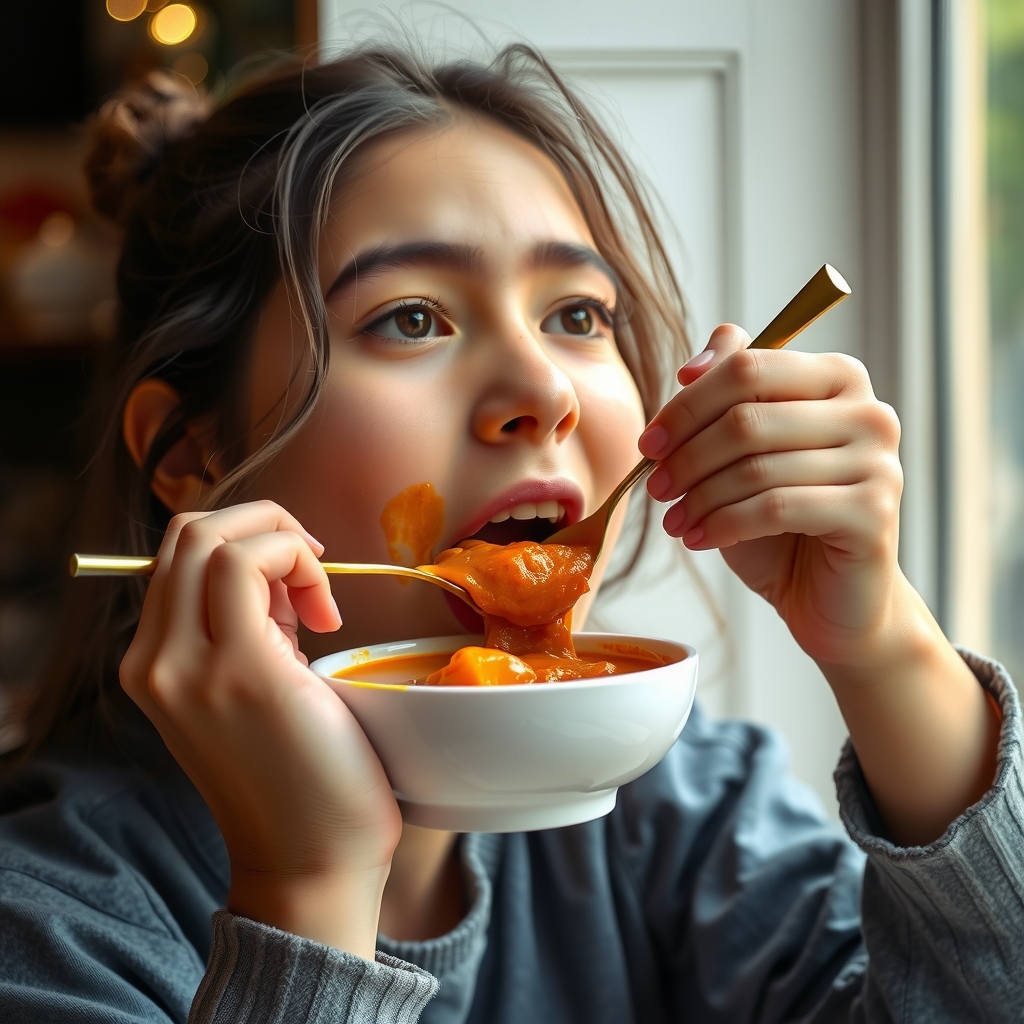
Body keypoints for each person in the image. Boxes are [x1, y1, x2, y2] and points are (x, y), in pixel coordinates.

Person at [0, 44, 1021, 1024]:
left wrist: (883, 645)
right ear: (190, 454)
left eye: (576, 313)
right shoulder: (52, 925)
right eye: (410, 318)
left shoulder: (678, 809)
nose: (542, 389)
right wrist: (308, 881)